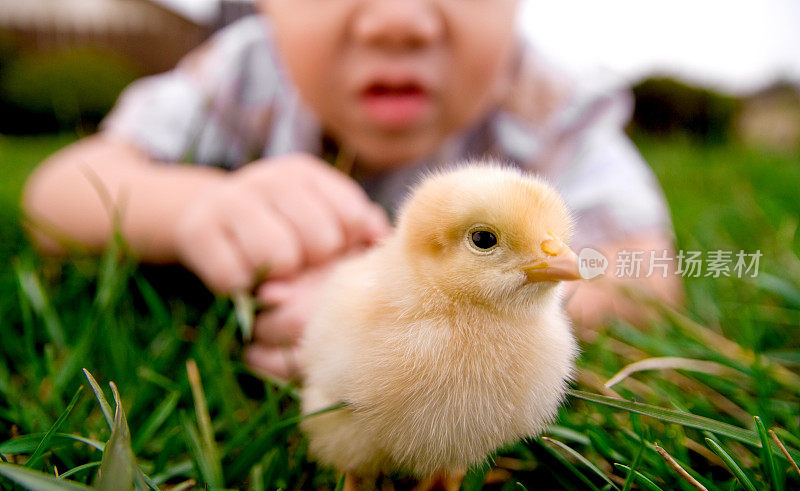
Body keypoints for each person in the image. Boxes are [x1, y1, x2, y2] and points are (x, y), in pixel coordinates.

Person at [22, 0, 681, 379]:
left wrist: (449, 324)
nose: (397, 21)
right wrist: (192, 206)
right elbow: (58, 193)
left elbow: (646, 270)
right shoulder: (248, 71)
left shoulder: (548, 107)